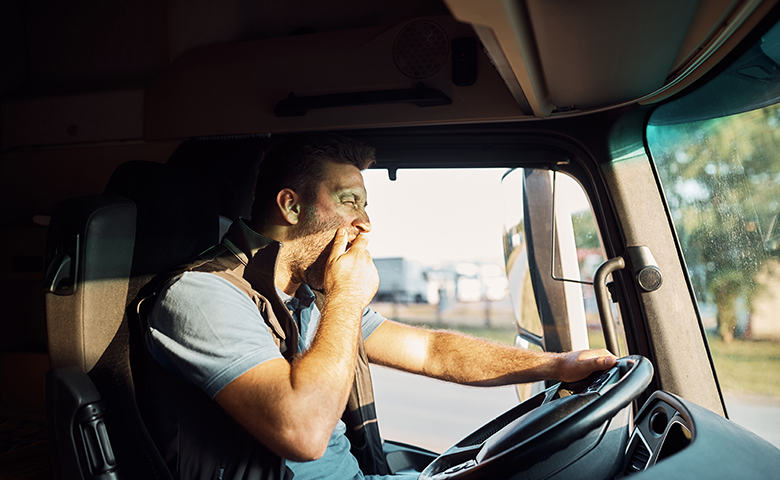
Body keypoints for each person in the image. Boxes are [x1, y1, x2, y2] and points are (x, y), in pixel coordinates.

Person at [143, 135, 617, 480]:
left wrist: (559, 365)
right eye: (349, 202)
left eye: (365, 205)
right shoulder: (201, 294)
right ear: (290, 206)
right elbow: (303, 432)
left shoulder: (310, 297)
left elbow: (434, 351)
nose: (365, 223)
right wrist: (348, 295)